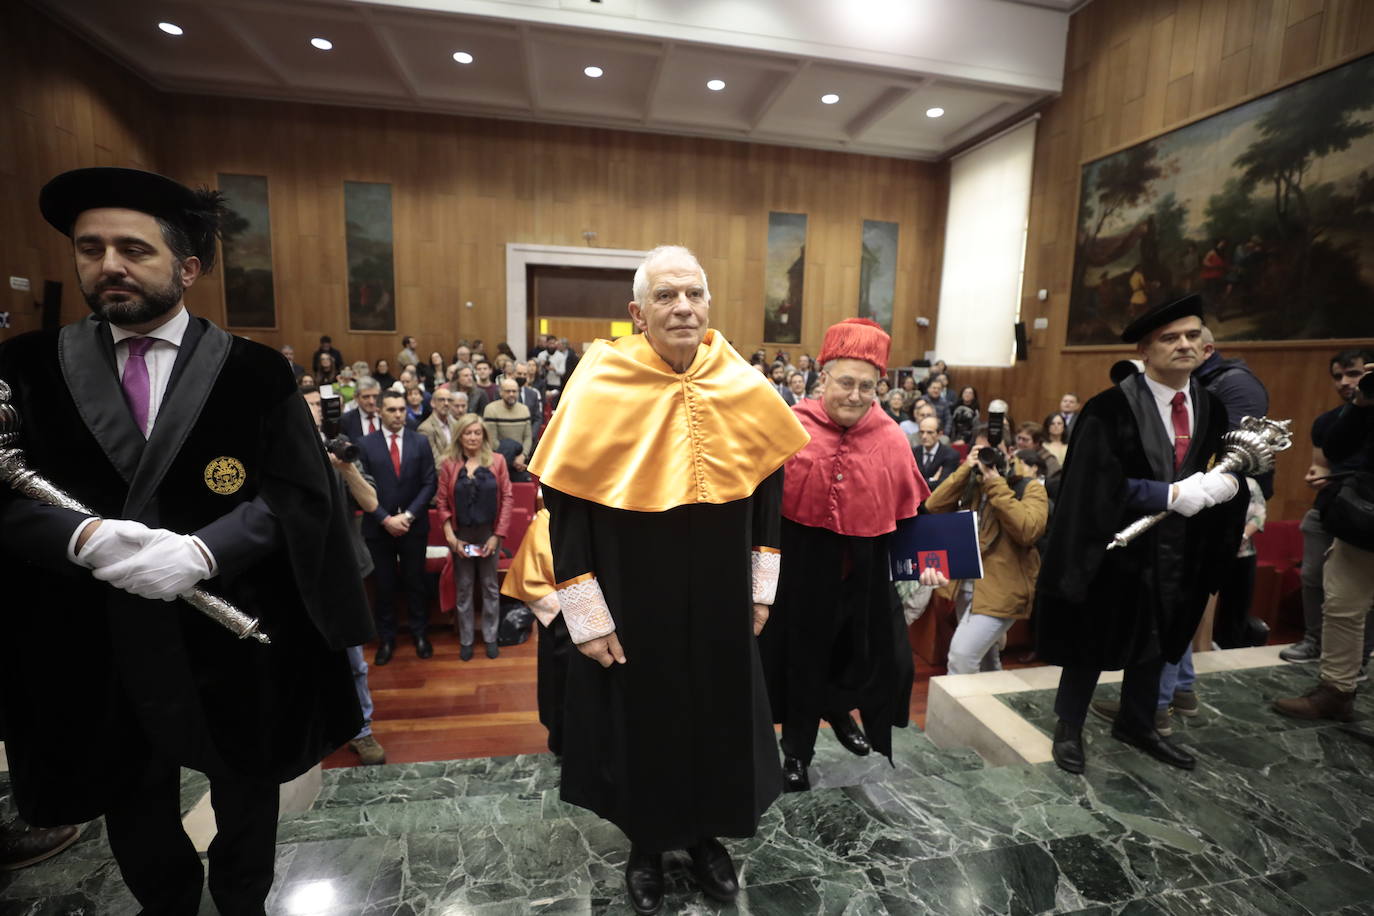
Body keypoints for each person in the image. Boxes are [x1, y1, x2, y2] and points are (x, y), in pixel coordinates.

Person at [0, 167, 373, 912]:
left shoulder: (256, 371)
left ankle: (243, 902)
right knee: (132, 801)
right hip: (93, 634)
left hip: (232, 633)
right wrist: (78, 541)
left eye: (134, 250)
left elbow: (300, 493)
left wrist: (207, 550)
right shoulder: (28, 368)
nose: (108, 265)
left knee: (247, 794)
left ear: (188, 266)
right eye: (91, 248)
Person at [530, 245, 808, 914]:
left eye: (694, 294)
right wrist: (585, 612)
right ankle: (648, 845)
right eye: (666, 296)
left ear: (709, 305)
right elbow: (565, 508)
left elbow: (768, 488)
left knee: (718, 713)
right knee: (642, 720)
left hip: (719, 595)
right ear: (637, 312)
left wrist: (761, 585)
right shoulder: (599, 383)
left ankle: (709, 835)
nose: (683, 307)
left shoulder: (740, 380)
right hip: (632, 593)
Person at [1035, 294, 1245, 775]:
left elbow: (1219, 468)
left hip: (1179, 551)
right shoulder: (1109, 409)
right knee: (1091, 641)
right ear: (1146, 352)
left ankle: (1138, 722)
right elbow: (1090, 485)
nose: (1184, 345)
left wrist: (1230, 483)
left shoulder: (1209, 407)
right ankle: (1068, 726)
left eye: (1193, 335)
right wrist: (1167, 495)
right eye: (1170, 338)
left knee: (1161, 635)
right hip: (1116, 550)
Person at [761, 318, 928, 792]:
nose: (856, 395)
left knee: (870, 655)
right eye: (846, 383)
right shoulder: (791, 425)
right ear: (823, 379)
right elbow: (762, 501)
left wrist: (926, 567)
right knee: (803, 659)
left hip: (864, 571)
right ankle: (797, 750)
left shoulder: (892, 436)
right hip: (802, 567)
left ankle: (837, 709)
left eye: (868, 386)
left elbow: (911, 511)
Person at [1274, 361, 1374, 720]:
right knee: (1341, 602)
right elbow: (1336, 447)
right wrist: (1361, 403)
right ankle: (1335, 691)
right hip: (1364, 519)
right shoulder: (1363, 403)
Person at [301, 386, 387, 766]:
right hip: (300, 572)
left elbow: (370, 503)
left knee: (354, 659)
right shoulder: (284, 450)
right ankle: (312, 728)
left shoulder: (340, 448)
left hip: (344, 569)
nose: (316, 410)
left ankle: (362, 731)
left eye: (320, 405)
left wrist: (346, 467)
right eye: (309, 405)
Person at [925, 445, 1048, 674]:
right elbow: (934, 506)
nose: (987, 458)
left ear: (1010, 452)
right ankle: (993, 706)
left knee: (961, 657)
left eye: (993, 450)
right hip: (967, 586)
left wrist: (996, 483)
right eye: (980, 451)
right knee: (987, 661)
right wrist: (965, 470)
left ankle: (956, 710)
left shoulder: (1029, 488)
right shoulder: (973, 485)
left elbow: (1028, 530)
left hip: (1003, 590)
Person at [358, 391, 437, 664]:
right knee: (385, 585)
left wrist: (410, 516)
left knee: (416, 582)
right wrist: (385, 519)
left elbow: (430, 483)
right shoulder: (365, 444)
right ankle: (387, 639)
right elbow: (361, 488)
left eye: (402, 409)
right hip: (379, 529)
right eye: (391, 409)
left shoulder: (420, 442)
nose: (398, 414)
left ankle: (420, 634)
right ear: (380, 411)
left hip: (413, 527)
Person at [437, 414, 514, 660]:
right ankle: (467, 639)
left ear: (484, 436)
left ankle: (491, 637)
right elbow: (441, 502)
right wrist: (451, 537)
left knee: (491, 587)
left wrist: (497, 536)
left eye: (477, 433)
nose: (473, 437)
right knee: (464, 588)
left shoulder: (498, 461)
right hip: (461, 535)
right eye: (468, 433)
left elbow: (507, 499)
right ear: (460, 435)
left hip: (489, 533)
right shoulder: (449, 463)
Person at [499, 507, 570, 754]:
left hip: (612, 627)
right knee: (559, 692)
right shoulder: (548, 519)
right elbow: (531, 581)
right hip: (563, 629)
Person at [483, 377, 533, 473]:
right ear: (501, 392)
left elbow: (528, 437)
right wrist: (511, 460)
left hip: (520, 460)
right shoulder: (490, 409)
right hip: (497, 459)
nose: (511, 394)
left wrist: (523, 456)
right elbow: (491, 440)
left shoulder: (524, 409)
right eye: (508, 391)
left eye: (514, 391)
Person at [417, 385, 458, 471]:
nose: (446, 403)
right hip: (440, 476)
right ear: (432, 403)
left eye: (449, 400)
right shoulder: (425, 429)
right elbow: (434, 462)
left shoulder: (455, 424)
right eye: (441, 400)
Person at [914, 415, 961, 488]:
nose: (924, 436)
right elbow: (908, 482)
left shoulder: (951, 455)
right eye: (922, 432)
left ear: (940, 434)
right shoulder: (913, 452)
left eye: (929, 432)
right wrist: (932, 480)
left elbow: (944, 485)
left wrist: (919, 483)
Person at [341, 376, 383, 442]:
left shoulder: (386, 416)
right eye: (366, 397)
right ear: (356, 398)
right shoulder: (346, 421)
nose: (371, 401)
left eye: (375, 396)